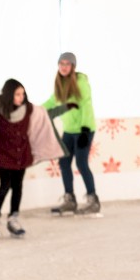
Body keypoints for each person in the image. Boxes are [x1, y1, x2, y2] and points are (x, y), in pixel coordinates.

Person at [0, 79, 68, 237]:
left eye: (23, 93)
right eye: (17, 94)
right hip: (3, 154)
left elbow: (44, 114)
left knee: (17, 186)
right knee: (5, 185)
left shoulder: (28, 109)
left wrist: (64, 108)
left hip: (21, 154)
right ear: (9, 95)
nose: (21, 97)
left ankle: (13, 219)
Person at [43, 51, 101, 215]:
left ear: (73, 66)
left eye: (67, 64)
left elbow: (86, 105)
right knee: (64, 163)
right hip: (69, 131)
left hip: (84, 130)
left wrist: (84, 129)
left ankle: (93, 200)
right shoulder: (60, 84)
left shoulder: (81, 82)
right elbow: (52, 101)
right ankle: (70, 199)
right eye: (61, 64)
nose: (63, 67)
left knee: (81, 163)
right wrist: (36, 111)